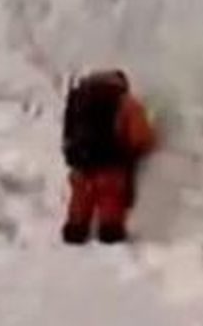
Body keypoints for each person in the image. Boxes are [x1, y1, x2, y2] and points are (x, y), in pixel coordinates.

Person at [60, 69, 157, 245]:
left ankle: (76, 230)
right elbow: (141, 136)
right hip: (110, 164)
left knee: (80, 197)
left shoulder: (78, 98)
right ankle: (110, 233)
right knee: (110, 199)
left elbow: (68, 130)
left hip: (81, 163)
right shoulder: (126, 102)